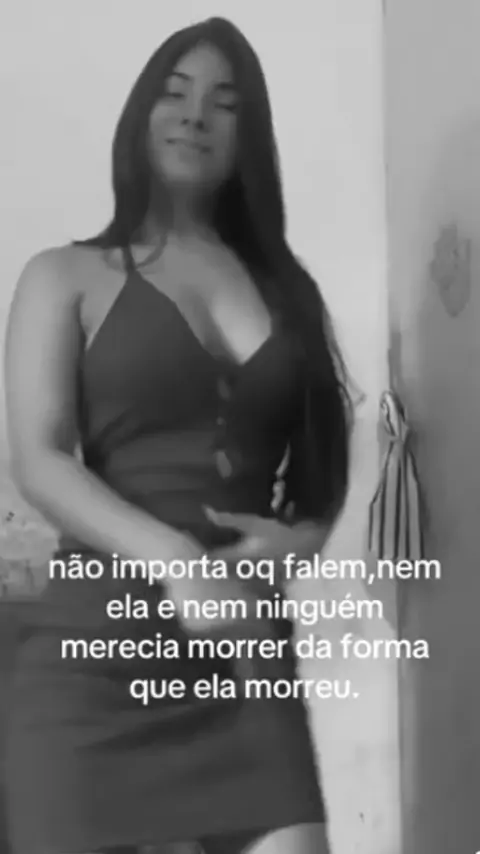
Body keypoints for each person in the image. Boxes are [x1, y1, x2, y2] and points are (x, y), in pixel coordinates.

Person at [3, 16, 352, 854]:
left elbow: (321, 467)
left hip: (243, 659)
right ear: (140, 116)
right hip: (94, 659)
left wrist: (299, 543)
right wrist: (178, 562)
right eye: (175, 91)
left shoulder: (289, 291)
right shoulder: (64, 275)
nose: (196, 114)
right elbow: (39, 459)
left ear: (248, 135)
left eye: (225, 102)